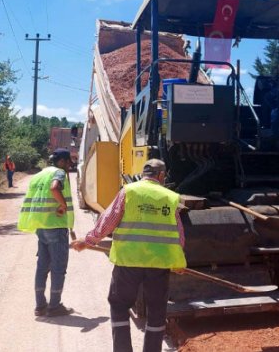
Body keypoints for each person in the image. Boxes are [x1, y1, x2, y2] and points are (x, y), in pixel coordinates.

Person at [72, 159, 186, 352]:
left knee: (119, 305)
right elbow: (178, 234)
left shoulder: (128, 191)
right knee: (157, 311)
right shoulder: (171, 197)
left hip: (128, 262)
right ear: (161, 175)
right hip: (158, 265)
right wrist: (178, 262)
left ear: (144, 174)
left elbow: (108, 221)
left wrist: (88, 241)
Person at [17, 148, 75, 317]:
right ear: (62, 161)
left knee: (42, 267)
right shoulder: (59, 173)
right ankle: (54, 306)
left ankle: (40, 305)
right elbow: (55, 188)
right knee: (58, 268)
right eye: (68, 162)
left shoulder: (39, 175)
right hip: (55, 226)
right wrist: (63, 205)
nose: (69, 166)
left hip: (41, 227)